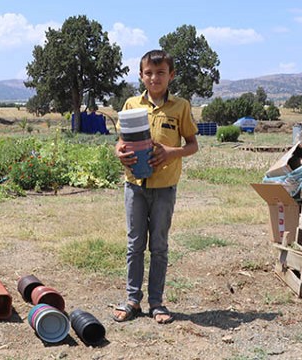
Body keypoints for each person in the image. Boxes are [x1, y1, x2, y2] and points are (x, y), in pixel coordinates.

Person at [112, 49, 199, 324]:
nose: (154, 77)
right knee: (134, 244)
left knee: (159, 246)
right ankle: (132, 300)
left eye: (161, 72)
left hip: (164, 188)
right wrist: (119, 152)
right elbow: (121, 142)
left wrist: (171, 153)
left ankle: (157, 303)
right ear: (140, 75)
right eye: (148, 72)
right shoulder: (130, 105)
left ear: (171, 75)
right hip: (134, 186)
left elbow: (193, 145)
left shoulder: (180, 107)